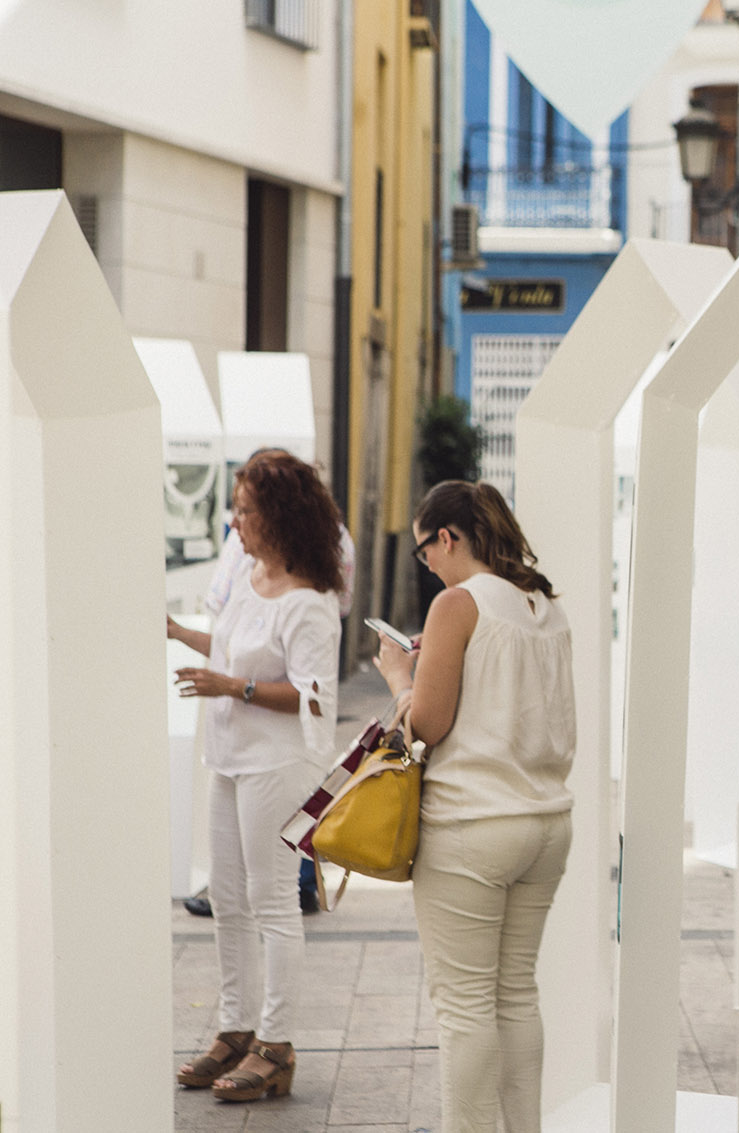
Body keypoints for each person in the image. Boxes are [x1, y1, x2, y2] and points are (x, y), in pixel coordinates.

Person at [374, 480, 576, 1133]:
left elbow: (428, 722)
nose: (426, 562)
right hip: (546, 821)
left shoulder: (456, 603)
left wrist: (402, 677)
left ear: (450, 536)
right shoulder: (543, 603)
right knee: (516, 995)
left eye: (423, 548)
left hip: (473, 824)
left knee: (463, 1009)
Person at [167, 450, 344, 1102]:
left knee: (271, 906)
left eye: (245, 509)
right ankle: (235, 1029)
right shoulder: (249, 574)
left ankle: (276, 1043)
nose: (235, 521)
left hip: (278, 763)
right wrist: (176, 631)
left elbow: (313, 694)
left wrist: (233, 686)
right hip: (231, 758)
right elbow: (225, 646)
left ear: (280, 513)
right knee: (229, 902)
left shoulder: (309, 602)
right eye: (236, 507)